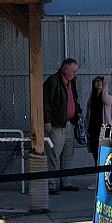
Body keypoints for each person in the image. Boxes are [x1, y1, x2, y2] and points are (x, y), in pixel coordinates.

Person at [42, 58, 81, 194]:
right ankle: (50, 184)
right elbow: (45, 102)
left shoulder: (72, 82)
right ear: (65, 70)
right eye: (73, 71)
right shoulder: (52, 82)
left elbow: (73, 99)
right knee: (53, 154)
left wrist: (77, 112)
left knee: (67, 155)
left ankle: (66, 182)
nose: (74, 74)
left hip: (69, 123)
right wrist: (47, 121)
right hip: (57, 124)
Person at [85, 75, 112, 191]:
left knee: (104, 155)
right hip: (93, 130)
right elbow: (88, 115)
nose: (99, 83)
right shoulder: (91, 100)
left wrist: (105, 85)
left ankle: (104, 180)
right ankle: (98, 180)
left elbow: (105, 99)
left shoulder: (107, 97)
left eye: (100, 81)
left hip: (104, 130)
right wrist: (86, 129)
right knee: (96, 156)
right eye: (96, 81)